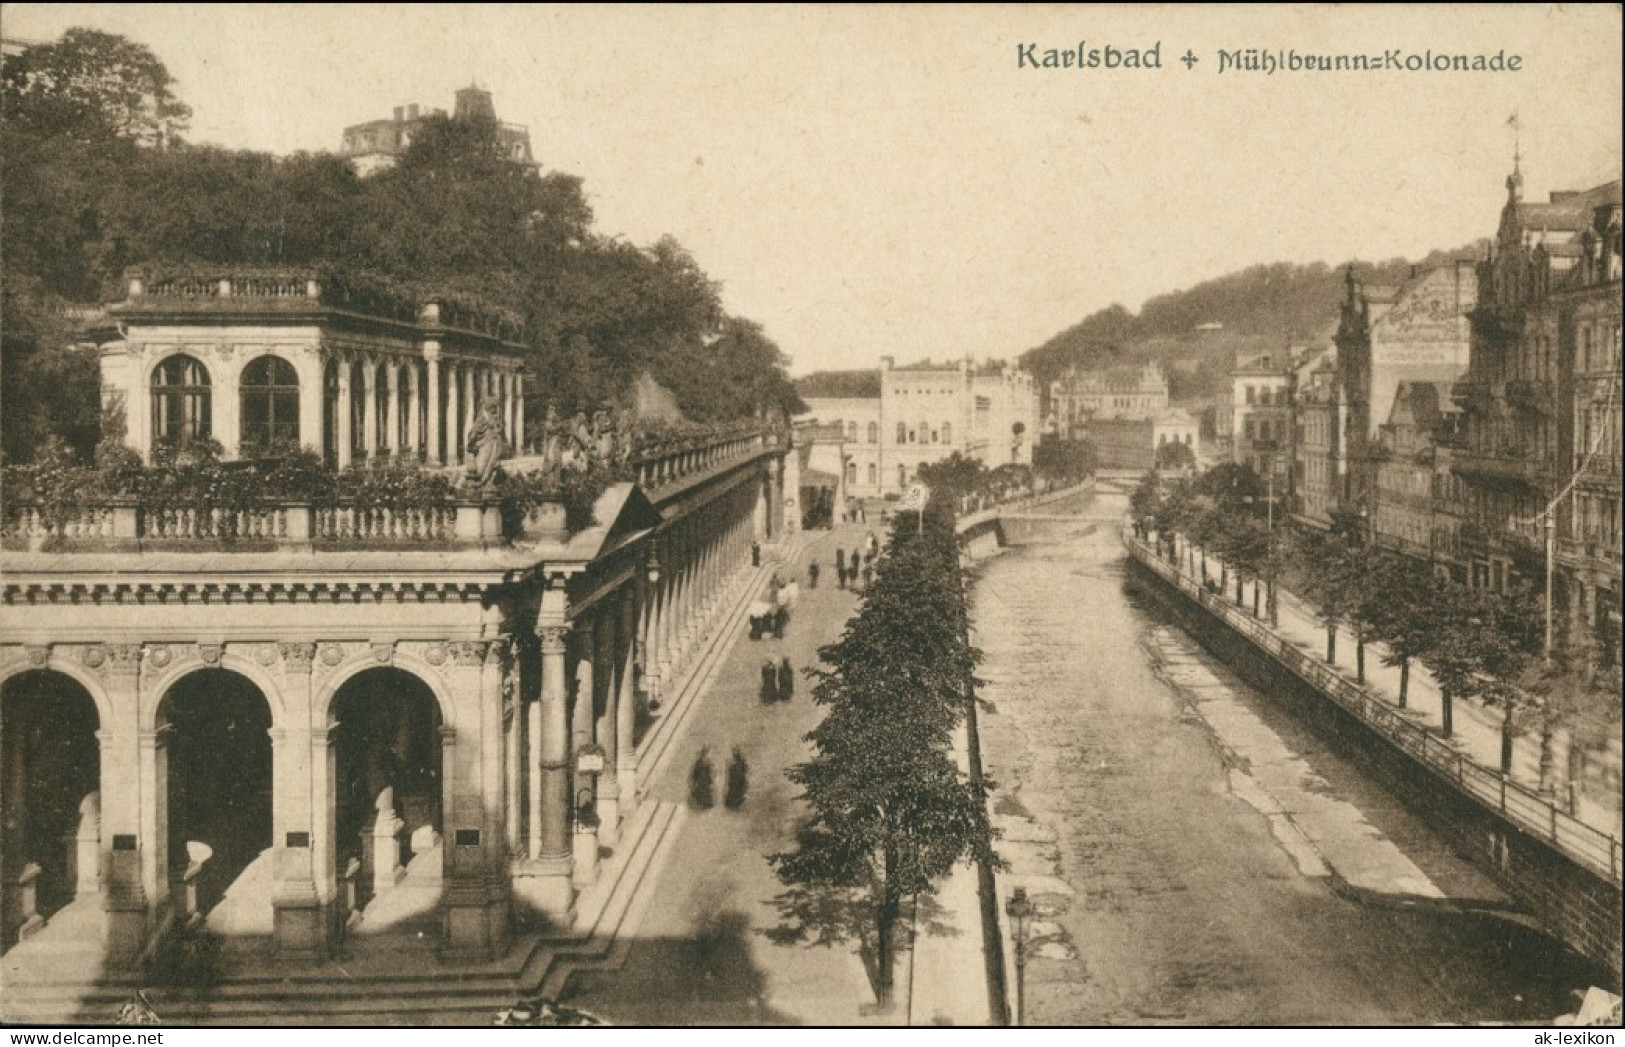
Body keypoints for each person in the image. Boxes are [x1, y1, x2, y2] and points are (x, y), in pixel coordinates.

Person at [465, 398, 507, 487]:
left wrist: (497, 429)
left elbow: (500, 428)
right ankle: (481, 482)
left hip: (494, 444)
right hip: (485, 444)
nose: (494, 410)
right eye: (493, 408)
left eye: (495, 408)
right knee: (482, 466)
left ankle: (486, 481)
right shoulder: (482, 418)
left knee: (492, 463)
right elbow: (475, 430)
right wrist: (471, 441)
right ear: (488, 408)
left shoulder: (494, 418)